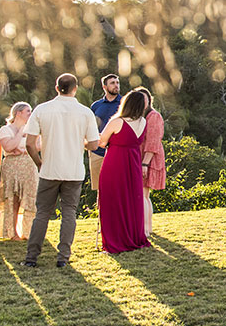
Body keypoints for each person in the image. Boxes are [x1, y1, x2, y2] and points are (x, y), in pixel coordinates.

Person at [21, 74, 101, 268]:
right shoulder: (84, 112)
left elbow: (30, 144)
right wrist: (79, 142)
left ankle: (32, 257)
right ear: (75, 89)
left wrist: (39, 163)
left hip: (49, 169)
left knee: (42, 213)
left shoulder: (42, 109)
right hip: (73, 171)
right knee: (69, 213)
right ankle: (63, 257)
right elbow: (94, 144)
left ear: (57, 88)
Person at [96, 92, 152, 254]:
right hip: (133, 164)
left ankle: (115, 240)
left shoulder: (116, 121)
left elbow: (102, 142)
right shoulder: (142, 122)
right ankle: (132, 236)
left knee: (113, 200)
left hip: (115, 163)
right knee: (131, 201)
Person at [0, 102, 37, 239]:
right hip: (12, 167)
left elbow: (38, 145)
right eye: (27, 111)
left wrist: (22, 149)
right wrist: (20, 132)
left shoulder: (32, 129)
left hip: (29, 165)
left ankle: (28, 231)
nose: (30, 114)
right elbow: (9, 147)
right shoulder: (6, 130)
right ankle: (12, 232)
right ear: (18, 113)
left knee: (30, 197)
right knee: (12, 198)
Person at [134, 88, 165, 238]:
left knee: (144, 195)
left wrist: (145, 163)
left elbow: (153, 141)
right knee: (142, 195)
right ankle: (146, 228)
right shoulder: (138, 117)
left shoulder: (153, 116)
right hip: (141, 158)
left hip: (149, 158)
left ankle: (146, 229)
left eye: (145, 99)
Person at [89, 74, 122, 203]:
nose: (116, 85)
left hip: (117, 151)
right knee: (100, 189)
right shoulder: (96, 106)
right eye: (112, 83)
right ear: (104, 86)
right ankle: (101, 220)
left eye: (117, 82)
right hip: (97, 152)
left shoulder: (124, 103)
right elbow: (90, 127)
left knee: (117, 187)